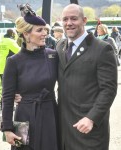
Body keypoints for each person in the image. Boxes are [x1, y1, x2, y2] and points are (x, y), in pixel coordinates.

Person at [56, 4, 117, 150]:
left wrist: (91, 118)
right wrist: (21, 92)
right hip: (63, 128)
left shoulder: (102, 49)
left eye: (73, 19)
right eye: (65, 19)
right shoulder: (60, 46)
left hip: (88, 129)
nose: (69, 23)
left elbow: (108, 90)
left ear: (84, 20)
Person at [1, 4, 59, 150]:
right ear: (26, 34)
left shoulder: (53, 56)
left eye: (45, 29)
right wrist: (7, 129)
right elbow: (7, 97)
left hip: (50, 115)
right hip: (24, 118)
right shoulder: (13, 61)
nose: (45, 33)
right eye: (39, 30)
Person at [0, 29, 20, 109]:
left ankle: (2, 104)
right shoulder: (11, 41)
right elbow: (19, 51)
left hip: (0, 67)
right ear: (13, 35)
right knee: (10, 87)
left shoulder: (1, 41)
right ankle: (7, 105)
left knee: (5, 87)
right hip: (8, 67)